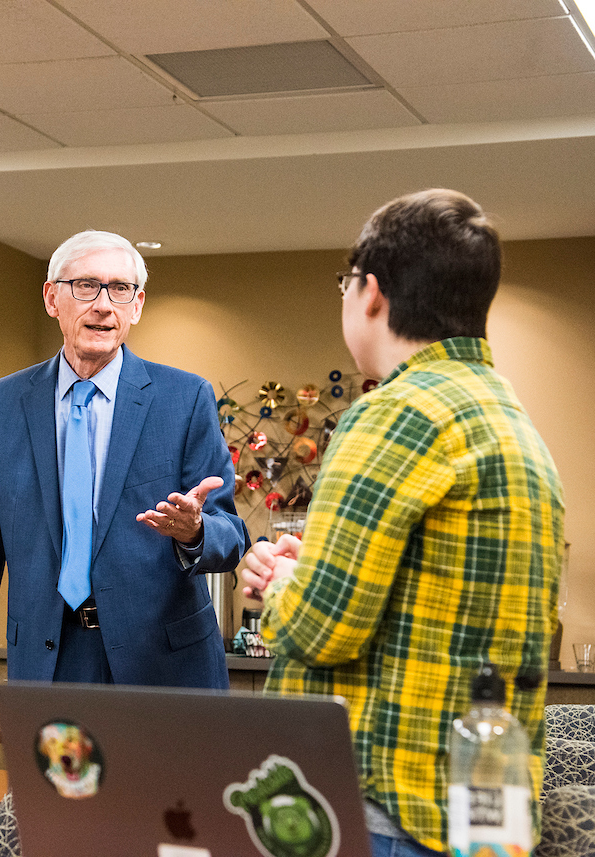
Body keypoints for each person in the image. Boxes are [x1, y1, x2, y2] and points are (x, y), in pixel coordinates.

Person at [240, 189, 564, 857]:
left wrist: (279, 579)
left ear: (372, 293)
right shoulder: (508, 418)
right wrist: (316, 566)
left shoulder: (396, 412)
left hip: (385, 810)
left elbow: (322, 628)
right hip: (478, 812)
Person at [0, 229, 249, 761]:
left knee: (168, 830)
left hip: (163, 668)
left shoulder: (184, 398)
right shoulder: (4, 404)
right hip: (50, 662)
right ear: (52, 298)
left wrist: (196, 530)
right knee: (63, 827)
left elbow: (231, 536)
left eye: (120, 290)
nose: (103, 305)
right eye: (86, 286)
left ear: (137, 306)